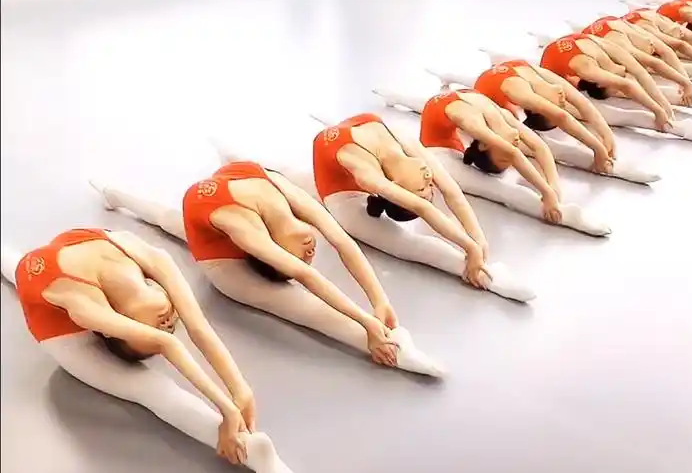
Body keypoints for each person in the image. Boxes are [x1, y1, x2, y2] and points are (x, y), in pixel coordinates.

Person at [90, 163, 445, 377]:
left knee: (169, 219)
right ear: (272, 248)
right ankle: (396, 350)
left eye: (303, 256)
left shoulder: (279, 193)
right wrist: (369, 325)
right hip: (219, 258)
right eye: (300, 257)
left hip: (214, 207)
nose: (310, 254)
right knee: (300, 307)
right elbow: (306, 277)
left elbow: (342, 241)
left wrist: (379, 301)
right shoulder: (247, 232)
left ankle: (116, 195)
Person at [0, 231, 290, 473]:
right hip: (57, 330)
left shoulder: (140, 251)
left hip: (54, 268)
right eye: (159, 328)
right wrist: (227, 410)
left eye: (164, 326)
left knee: (17, 268)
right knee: (150, 390)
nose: (169, 322)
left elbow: (198, 326)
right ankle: (252, 453)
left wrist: (241, 390)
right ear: (118, 323)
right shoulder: (84, 308)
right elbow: (167, 344)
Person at [297, 112, 535, 302]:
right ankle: (486, 276)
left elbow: (451, 191)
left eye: (424, 188)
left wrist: (479, 241)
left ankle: (482, 269)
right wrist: (472, 248)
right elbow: (425, 209)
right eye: (426, 189)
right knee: (404, 244)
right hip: (342, 196)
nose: (429, 179)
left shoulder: (387, 158)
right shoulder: (376, 170)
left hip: (343, 159)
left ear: (396, 185)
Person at [372, 87, 613, 235]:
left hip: (444, 119)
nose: (513, 149)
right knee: (497, 189)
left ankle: (396, 96)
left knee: (540, 150)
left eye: (504, 155)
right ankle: (570, 216)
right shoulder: (483, 124)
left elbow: (538, 148)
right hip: (439, 153)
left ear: (484, 145)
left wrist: (553, 187)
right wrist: (549, 195)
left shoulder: (488, 122)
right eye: (506, 155)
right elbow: (520, 153)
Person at [471, 59, 617, 171]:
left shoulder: (520, 92)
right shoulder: (528, 83)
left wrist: (605, 137)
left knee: (567, 110)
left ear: (536, 109)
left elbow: (571, 111)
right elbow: (544, 141)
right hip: (497, 88)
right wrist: (599, 147)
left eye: (557, 107)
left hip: (493, 87)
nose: (563, 103)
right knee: (521, 142)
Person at [539, 33, 674, 130]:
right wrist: (660, 109)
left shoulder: (598, 58)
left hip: (579, 44)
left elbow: (632, 81)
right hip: (563, 57)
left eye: (615, 88)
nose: (619, 89)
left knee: (633, 77)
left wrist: (662, 109)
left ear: (601, 82)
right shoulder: (587, 69)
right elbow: (586, 107)